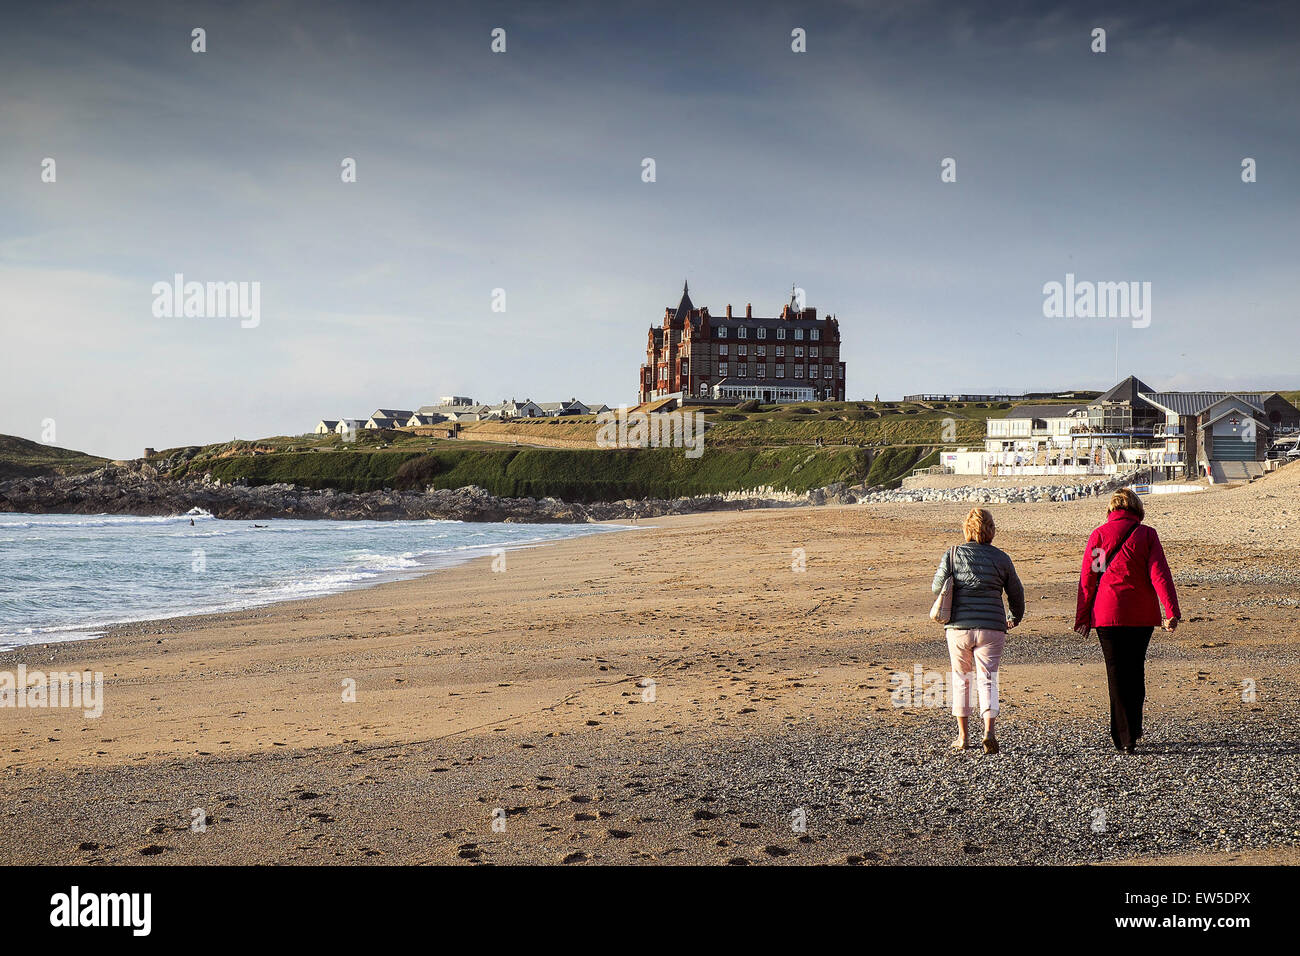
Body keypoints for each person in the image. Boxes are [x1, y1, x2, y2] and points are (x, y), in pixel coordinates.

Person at [1075, 487, 1180, 754]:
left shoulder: (1099, 535)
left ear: (1111, 509)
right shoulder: (1147, 535)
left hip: (1107, 614)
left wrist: (1083, 617)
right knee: (1135, 670)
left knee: (1116, 673)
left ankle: (1124, 737)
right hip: (1141, 616)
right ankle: (1133, 728)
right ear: (1137, 509)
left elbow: (1091, 578)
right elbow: (1160, 575)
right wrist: (1171, 611)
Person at [931, 508, 1025, 753]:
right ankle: (989, 731)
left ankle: (963, 737)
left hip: (959, 627)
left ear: (966, 530)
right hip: (993, 626)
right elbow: (1016, 593)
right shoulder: (1002, 558)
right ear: (991, 530)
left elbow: (936, 587)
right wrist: (1014, 617)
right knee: (988, 679)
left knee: (961, 679)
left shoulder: (952, 555)